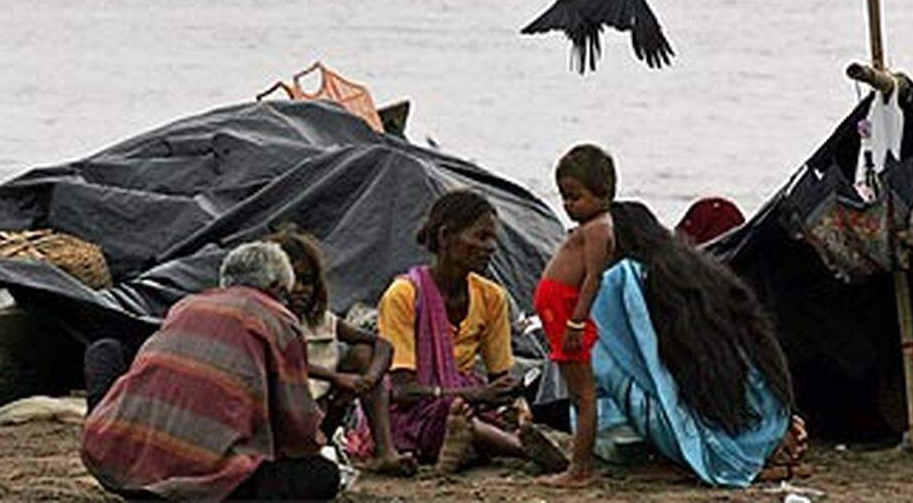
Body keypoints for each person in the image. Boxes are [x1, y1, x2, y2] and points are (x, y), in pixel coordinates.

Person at [80, 241, 339, 501]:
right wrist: (319, 441)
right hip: (197, 483)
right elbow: (297, 428)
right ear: (276, 288)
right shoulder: (279, 319)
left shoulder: (186, 306)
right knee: (322, 475)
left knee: (106, 350)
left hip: (116, 463)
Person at [589, 201, 808, 488]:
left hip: (717, 440)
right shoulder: (699, 269)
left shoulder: (622, 281)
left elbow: (625, 363)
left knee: (595, 352)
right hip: (764, 424)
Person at [376, 188, 568, 474]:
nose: (491, 247)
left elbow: (499, 377)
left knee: (465, 413)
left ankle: (471, 438)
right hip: (414, 411)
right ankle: (516, 447)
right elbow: (403, 391)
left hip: (467, 402)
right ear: (445, 237)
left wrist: (512, 401)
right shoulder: (404, 295)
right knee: (450, 410)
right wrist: (474, 395)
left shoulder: (491, 297)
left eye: (493, 239)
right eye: (481, 237)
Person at [268, 226, 416, 476]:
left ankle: (386, 451)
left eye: (308, 281)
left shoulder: (321, 322)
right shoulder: (266, 320)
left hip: (321, 413)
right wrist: (336, 378)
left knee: (363, 355)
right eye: (295, 281)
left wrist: (367, 380)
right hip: (282, 418)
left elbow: (382, 344)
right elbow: (286, 362)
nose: (302, 289)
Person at [533, 143, 617, 487]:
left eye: (575, 197)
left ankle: (579, 469)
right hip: (560, 310)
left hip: (569, 312)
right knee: (578, 394)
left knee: (583, 396)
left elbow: (593, 277)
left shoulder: (599, 228)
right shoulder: (590, 225)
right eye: (564, 198)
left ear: (604, 193)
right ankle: (578, 465)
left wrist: (576, 321)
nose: (568, 206)